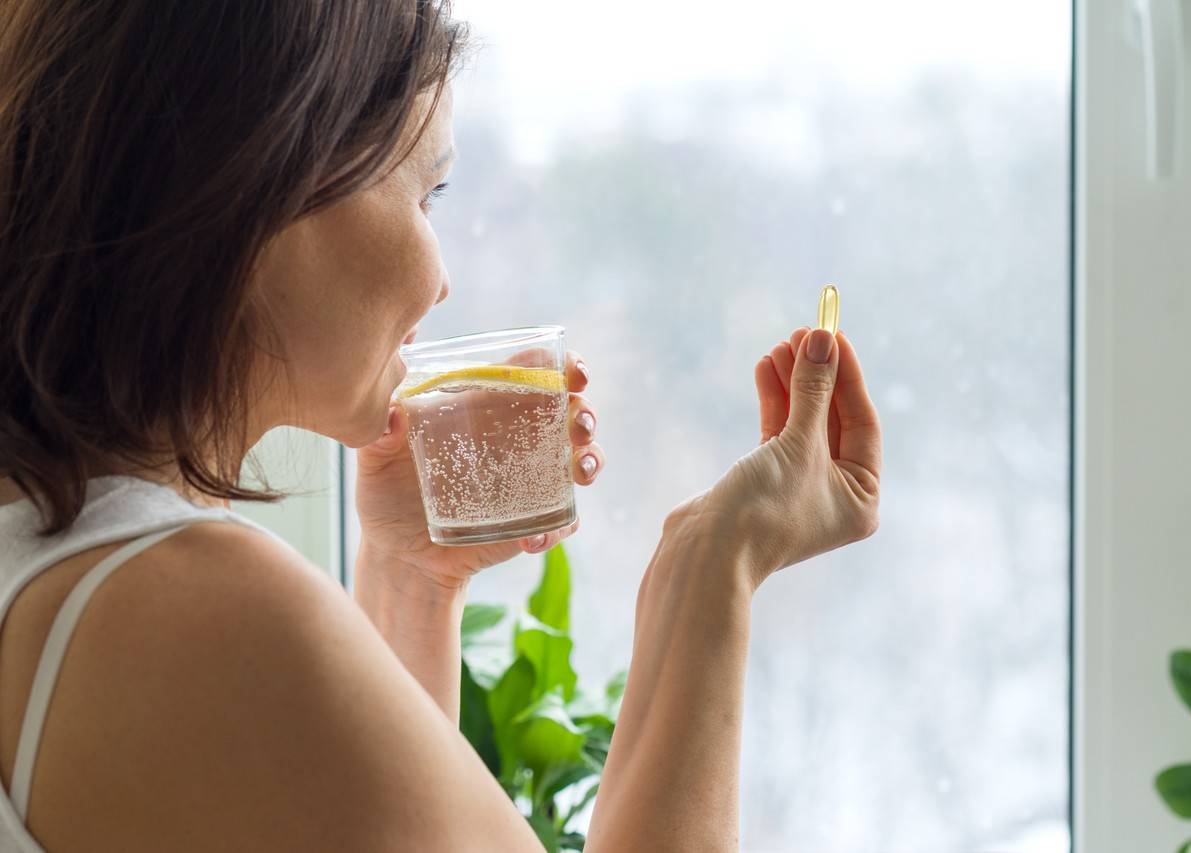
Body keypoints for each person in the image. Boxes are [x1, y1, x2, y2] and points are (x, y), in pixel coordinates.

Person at [0, 1, 882, 850]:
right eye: (428, 193)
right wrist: (714, 562)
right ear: (267, 180)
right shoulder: (196, 605)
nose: (442, 279)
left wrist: (412, 580)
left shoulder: (60, 555)